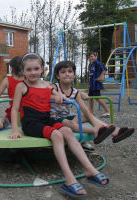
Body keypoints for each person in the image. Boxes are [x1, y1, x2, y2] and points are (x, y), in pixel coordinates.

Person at [9, 53, 109, 197]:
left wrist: (58, 95)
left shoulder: (47, 85)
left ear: (42, 69)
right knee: (56, 135)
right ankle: (69, 179)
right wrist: (15, 130)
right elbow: (15, 109)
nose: (33, 72)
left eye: (36, 69)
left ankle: (90, 169)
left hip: (46, 119)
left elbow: (53, 94)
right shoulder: (21, 86)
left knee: (67, 131)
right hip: (31, 122)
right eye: (29, 70)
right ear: (23, 71)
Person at [51, 61, 134, 146]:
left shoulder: (75, 92)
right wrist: (57, 96)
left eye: (70, 71)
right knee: (72, 124)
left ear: (74, 75)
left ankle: (115, 130)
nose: (67, 74)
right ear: (58, 76)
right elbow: (47, 92)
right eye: (63, 72)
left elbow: (84, 109)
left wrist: (91, 117)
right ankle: (96, 130)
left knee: (90, 115)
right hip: (54, 117)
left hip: (68, 115)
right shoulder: (55, 87)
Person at [88, 52, 110, 118]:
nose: (90, 58)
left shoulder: (97, 63)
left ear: (95, 57)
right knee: (90, 98)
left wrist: (101, 77)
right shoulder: (90, 64)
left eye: (92, 56)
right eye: (89, 57)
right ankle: (91, 112)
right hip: (92, 84)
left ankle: (108, 111)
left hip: (96, 84)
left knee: (97, 98)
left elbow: (105, 69)